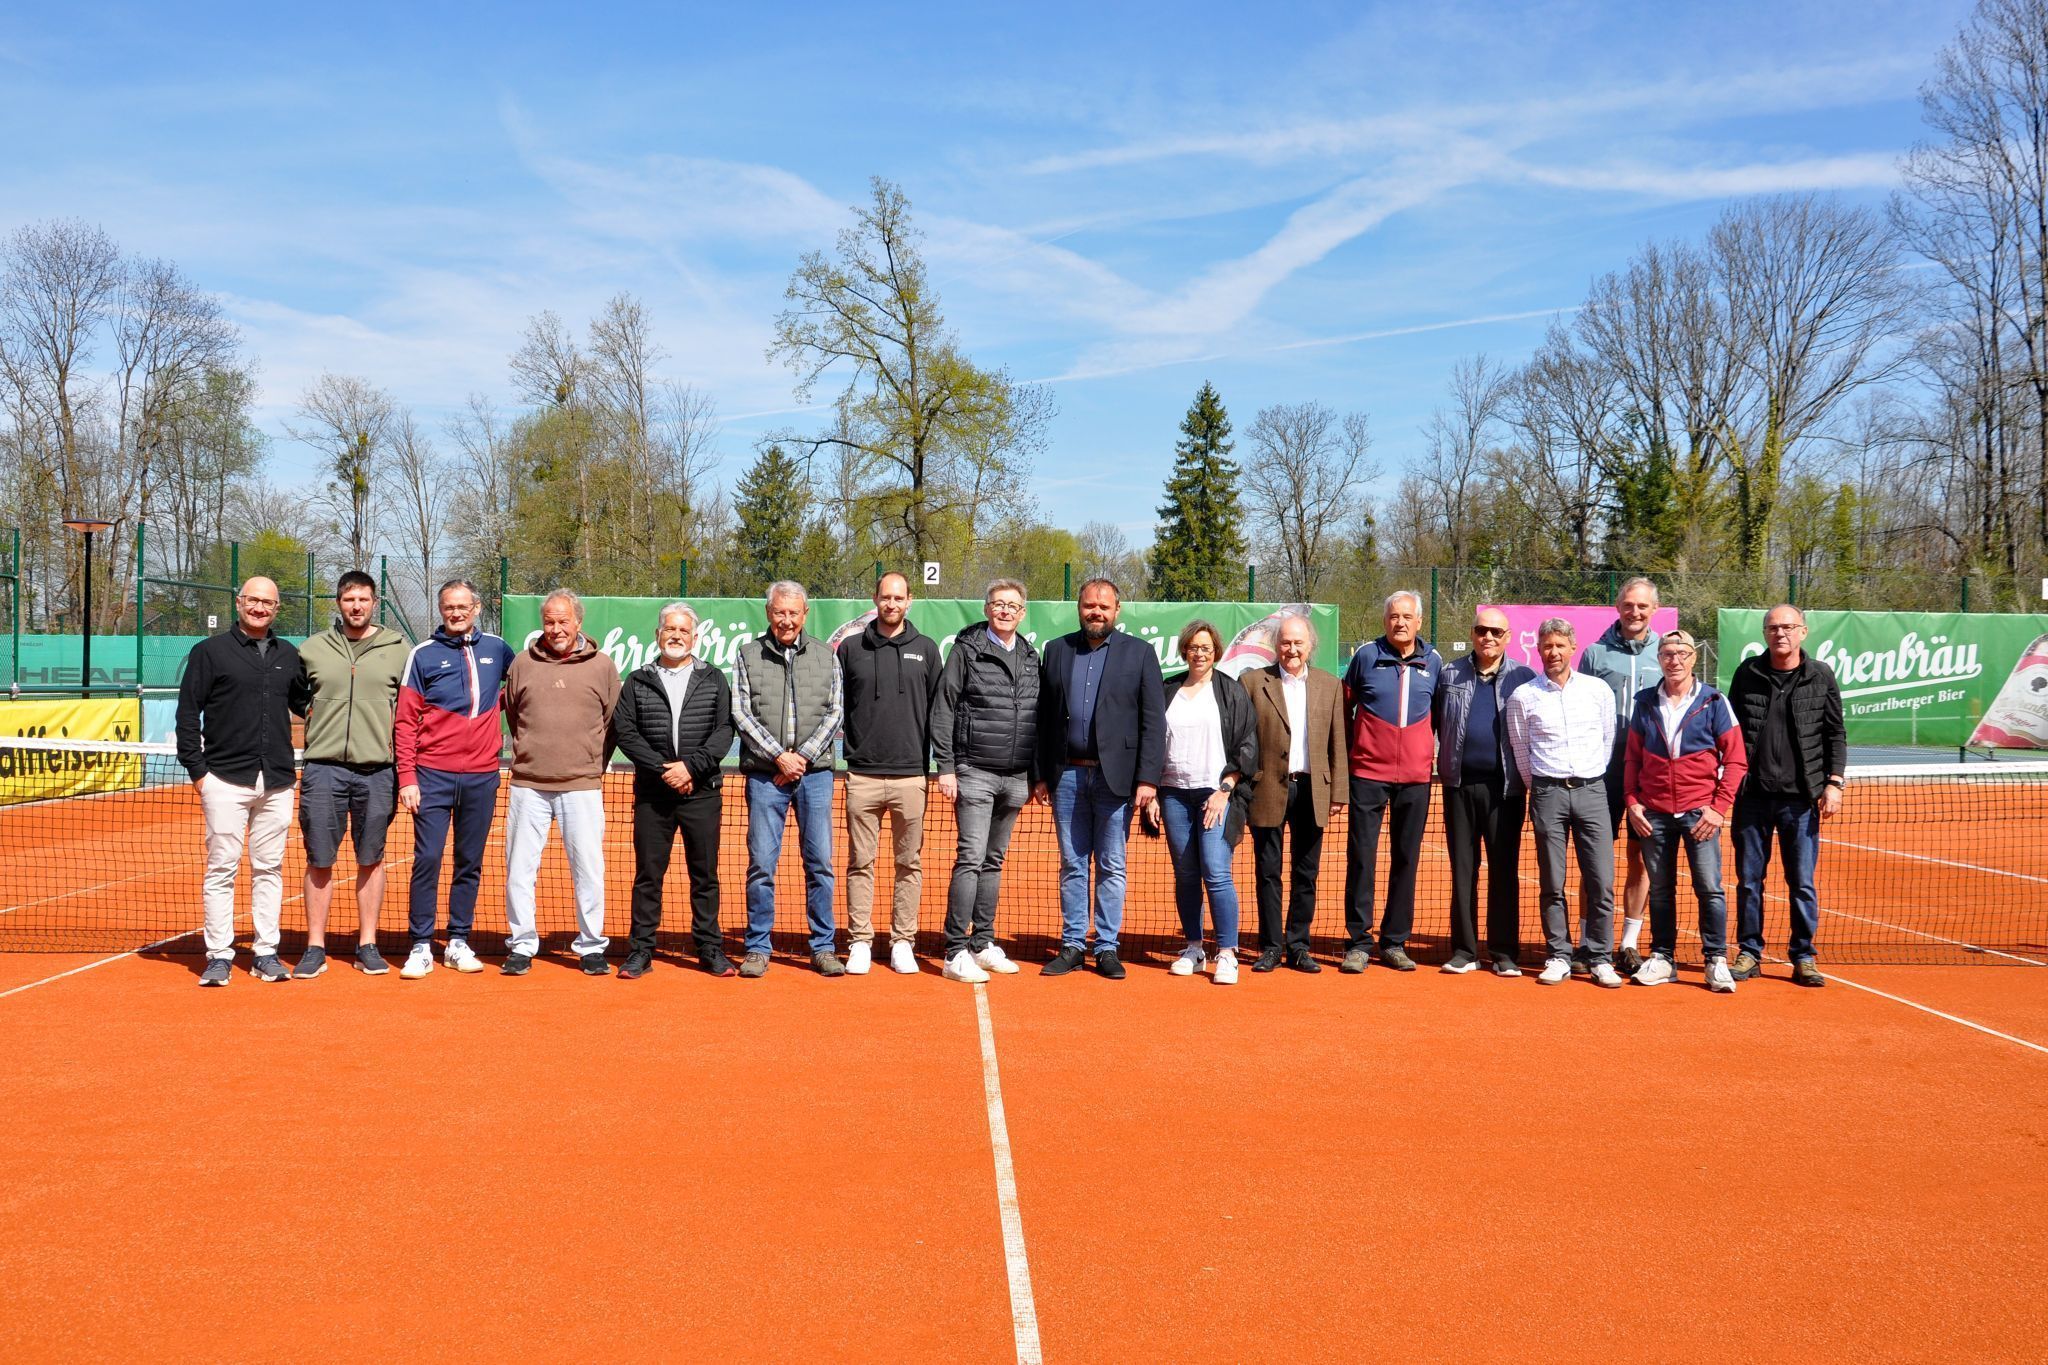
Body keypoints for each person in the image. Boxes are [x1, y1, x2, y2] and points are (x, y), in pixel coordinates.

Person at [175, 576, 311, 986]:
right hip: (224, 780)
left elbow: (306, 705)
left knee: (269, 869)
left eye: (267, 602)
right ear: (239, 602)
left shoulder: (289, 654)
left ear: (277, 608)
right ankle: (218, 955)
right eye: (253, 600)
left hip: (277, 781)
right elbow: (187, 714)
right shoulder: (209, 653)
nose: (259, 608)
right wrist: (199, 773)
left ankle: (266, 952)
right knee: (222, 870)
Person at [1034, 578, 1165, 980]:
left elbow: (1152, 722)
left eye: (1104, 607)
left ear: (1117, 610)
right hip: (1067, 776)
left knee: (1111, 865)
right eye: (1090, 605)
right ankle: (1073, 944)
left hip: (1117, 779)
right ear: (1079, 608)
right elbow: (1042, 720)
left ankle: (1106, 946)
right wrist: (1041, 775)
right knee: (1073, 864)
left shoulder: (1140, 654)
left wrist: (1148, 780)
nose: (1096, 612)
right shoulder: (1056, 650)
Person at [499, 590, 622, 977]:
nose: (556, 629)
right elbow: (514, 714)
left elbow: (613, 721)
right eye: (549, 621)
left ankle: (591, 945)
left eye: (563, 621)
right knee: (519, 868)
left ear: (578, 623)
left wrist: (590, 764)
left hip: (582, 785)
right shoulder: (522, 663)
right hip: (527, 784)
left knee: (588, 868)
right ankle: (522, 944)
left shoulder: (602, 666)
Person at [612, 601, 737, 980]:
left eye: (684, 630)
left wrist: (690, 768)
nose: (676, 636)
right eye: (670, 629)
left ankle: (710, 948)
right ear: (658, 635)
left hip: (701, 791)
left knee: (705, 875)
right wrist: (662, 770)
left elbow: (724, 731)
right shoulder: (638, 680)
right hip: (654, 793)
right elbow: (626, 731)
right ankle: (641, 951)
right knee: (648, 875)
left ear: (695, 638)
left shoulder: (714, 678)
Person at [394, 579, 511, 980]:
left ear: (477, 607)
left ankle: (458, 940)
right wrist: (407, 776)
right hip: (432, 776)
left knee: (469, 861)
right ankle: (421, 945)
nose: (456, 613)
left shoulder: (498, 649)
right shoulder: (422, 655)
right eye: (449, 607)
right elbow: (406, 721)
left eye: (463, 606)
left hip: (482, 776)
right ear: (441, 610)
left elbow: (529, 683)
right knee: (427, 859)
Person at [294, 570, 407, 978]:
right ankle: (314, 947)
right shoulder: (312, 649)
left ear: (374, 602)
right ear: (338, 603)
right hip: (323, 769)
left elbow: (411, 709)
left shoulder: (399, 649)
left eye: (362, 599)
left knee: (371, 859)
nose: (356, 606)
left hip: (379, 771)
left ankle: (368, 943)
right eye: (348, 600)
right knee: (319, 859)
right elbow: (295, 696)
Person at [1727, 604, 1847, 988]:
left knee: (1802, 882)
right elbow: (1730, 731)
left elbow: (1835, 733)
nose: (1780, 633)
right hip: (1752, 797)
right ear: (1765, 633)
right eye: (1773, 627)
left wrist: (1834, 783)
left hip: (1801, 800)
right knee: (1749, 881)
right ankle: (1749, 952)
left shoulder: (1820, 676)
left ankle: (1804, 956)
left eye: (1788, 627)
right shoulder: (1747, 673)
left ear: (1803, 632)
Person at [1623, 630, 1748, 992]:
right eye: (1666, 653)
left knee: (1709, 888)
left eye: (1681, 653)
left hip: (1700, 814)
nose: (1674, 660)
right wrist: (1632, 802)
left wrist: (1718, 808)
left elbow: (1736, 760)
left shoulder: (1714, 701)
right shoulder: (1644, 702)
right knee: (1660, 889)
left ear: (1693, 658)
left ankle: (1716, 960)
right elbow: (1632, 757)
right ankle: (1663, 957)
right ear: (1658, 658)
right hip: (1654, 814)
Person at [929, 579, 1040, 984]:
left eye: (1012, 605)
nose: (1005, 611)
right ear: (987, 608)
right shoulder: (967, 649)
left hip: (1016, 777)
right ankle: (955, 949)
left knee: (993, 862)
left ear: (1022, 612)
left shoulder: (1030, 656)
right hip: (973, 771)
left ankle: (983, 942)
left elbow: (1037, 717)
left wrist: (1036, 776)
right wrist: (945, 766)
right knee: (971, 859)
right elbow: (944, 706)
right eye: (998, 604)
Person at [733, 580, 845, 978]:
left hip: (815, 776)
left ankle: (823, 946)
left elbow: (835, 711)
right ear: (769, 613)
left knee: (820, 864)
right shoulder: (747, 655)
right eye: (779, 612)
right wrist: (780, 757)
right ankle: (758, 947)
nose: (786, 619)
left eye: (793, 612)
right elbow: (742, 714)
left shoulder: (825, 655)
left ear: (804, 614)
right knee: (762, 865)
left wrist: (803, 758)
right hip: (766, 777)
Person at [1504, 619, 1625, 987]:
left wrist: (1587, 777)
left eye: (1559, 645)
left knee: (1601, 881)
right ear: (1538, 650)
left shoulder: (1598, 690)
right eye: (1546, 646)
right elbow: (1521, 752)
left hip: (1592, 792)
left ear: (1573, 647)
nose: (1553, 652)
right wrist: (1544, 787)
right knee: (1552, 882)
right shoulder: (1523, 696)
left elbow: (1608, 739)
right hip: (1547, 794)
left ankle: (1600, 956)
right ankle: (1559, 955)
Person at [837, 571, 945, 975]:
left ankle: (903, 941)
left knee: (908, 864)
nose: (892, 604)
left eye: (899, 598)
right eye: (885, 597)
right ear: (875, 599)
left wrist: (942, 765)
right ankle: (861, 941)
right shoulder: (850, 649)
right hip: (862, 775)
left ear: (909, 601)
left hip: (911, 776)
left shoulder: (927, 649)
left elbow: (940, 711)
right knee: (860, 862)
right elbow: (837, 707)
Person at [1340, 590, 1444, 973]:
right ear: (1385, 621)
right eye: (1393, 616)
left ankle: (1395, 941)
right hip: (1367, 775)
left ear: (1419, 621)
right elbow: (1343, 709)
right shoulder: (1366, 656)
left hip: (1416, 779)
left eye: (1406, 616)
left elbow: (1440, 715)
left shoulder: (1433, 661)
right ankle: (1358, 943)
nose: (1399, 622)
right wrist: (1355, 753)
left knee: (1406, 859)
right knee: (1362, 858)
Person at [1433, 607, 1536, 976]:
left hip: (1505, 790)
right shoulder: (1450, 674)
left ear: (1508, 637)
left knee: (1504, 870)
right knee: (1463, 870)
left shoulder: (1524, 678)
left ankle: (1505, 951)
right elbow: (1433, 722)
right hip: (1458, 786)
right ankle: (1464, 950)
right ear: (1473, 634)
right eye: (1481, 630)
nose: (1487, 637)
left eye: (1495, 631)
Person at [1241, 613, 1346, 973]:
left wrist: (1338, 793)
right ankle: (1271, 946)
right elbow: (1243, 741)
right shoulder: (1252, 682)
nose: (1292, 649)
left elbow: (1338, 744)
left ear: (1310, 645)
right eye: (1285, 642)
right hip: (1267, 789)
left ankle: (1298, 946)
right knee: (1267, 871)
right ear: (1276, 646)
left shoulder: (1330, 685)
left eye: (1298, 642)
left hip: (1313, 789)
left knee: (1307, 873)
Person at [1157, 620, 1258, 985]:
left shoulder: (1230, 692)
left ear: (1215, 651)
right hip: (1172, 794)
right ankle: (1194, 948)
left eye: (1206, 648)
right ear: (1185, 650)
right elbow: (1153, 741)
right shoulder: (1167, 689)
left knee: (1215, 872)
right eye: (1193, 647)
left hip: (1215, 795)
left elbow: (1248, 746)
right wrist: (1152, 790)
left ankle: (1227, 952)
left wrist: (1225, 788)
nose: (1199, 653)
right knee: (1185, 875)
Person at [1581, 576, 1660, 975]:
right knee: (1594, 860)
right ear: (1617, 606)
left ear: (1654, 610)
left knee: (1640, 859)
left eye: (1642, 606)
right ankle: (1585, 941)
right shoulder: (1595, 654)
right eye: (1629, 605)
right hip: (1601, 772)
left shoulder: (1666, 653)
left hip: (1649, 775)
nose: (1635, 612)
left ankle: (1628, 943)